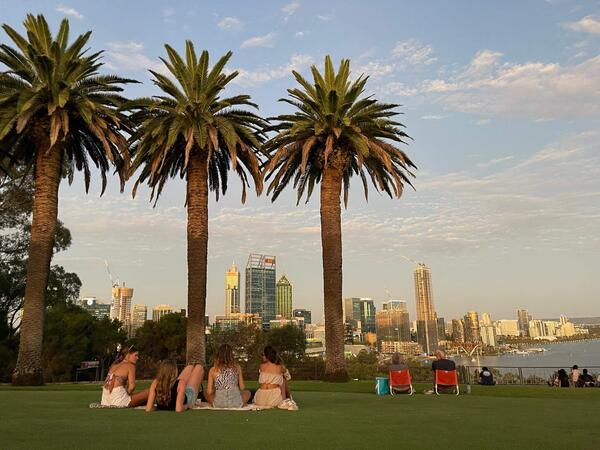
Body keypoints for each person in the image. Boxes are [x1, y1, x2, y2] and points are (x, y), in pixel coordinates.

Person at [205, 343, 251, 408]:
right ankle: (241, 403)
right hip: (236, 402)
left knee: (205, 392)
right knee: (248, 393)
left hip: (219, 403)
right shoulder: (237, 367)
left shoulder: (213, 370)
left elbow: (209, 392)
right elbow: (242, 387)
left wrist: (216, 389)